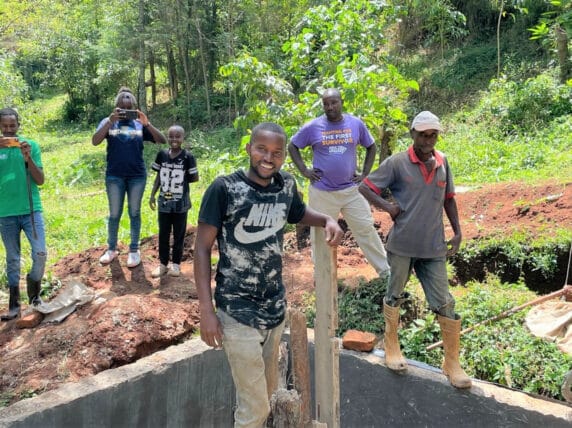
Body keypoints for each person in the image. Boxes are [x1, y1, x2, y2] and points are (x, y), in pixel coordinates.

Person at [194, 122, 343, 427]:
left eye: (276, 152)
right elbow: (200, 250)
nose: (268, 157)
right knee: (255, 410)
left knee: (268, 397)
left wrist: (326, 218)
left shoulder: (286, 186)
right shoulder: (224, 190)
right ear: (249, 148)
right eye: (261, 149)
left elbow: (299, 213)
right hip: (236, 312)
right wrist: (206, 311)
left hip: (274, 312)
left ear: (283, 157)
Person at [358, 111, 471, 389]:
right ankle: (392, 345)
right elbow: (366, 186)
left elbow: (449, 199)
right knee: (394, 295)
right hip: (402, 246)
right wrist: (388, 208)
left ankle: (451, 362)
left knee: (445, 301)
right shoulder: (397, 163)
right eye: (423, 134)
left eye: (433, 134)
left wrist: (457, 231)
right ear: (413, 134)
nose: (428, 140)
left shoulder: (443, 163)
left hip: (433, 247)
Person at [288, 88, 390, 278]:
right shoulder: (313, 126)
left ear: (341, 102)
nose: (330, 107)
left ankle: (385, 272)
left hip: (352, 191)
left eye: (333, 102)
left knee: (365, 228)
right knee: (321, 235)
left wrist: (365, 173)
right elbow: (292, 145)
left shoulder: (355, 124)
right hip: (322, 193)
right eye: (326, 104)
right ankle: (323, 276)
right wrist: (304, 170)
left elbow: (371, 146)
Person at [92, 87, 166, 268]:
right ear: (117, 106)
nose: (125, 100)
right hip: (114, 175)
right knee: (114, 213)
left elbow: (162, 140)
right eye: (122, 100)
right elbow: (95, 141)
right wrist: (110, 122)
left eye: (129, 99)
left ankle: (134, 250)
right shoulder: (108, 122)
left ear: (134, 106)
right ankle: (111, 249)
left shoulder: (140, 123)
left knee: (134, 212)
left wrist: (147, 124)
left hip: (137, 175)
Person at [0, 108, 46, 321]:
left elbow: (40, 180)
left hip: (30, 209)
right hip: (5, 212)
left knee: (40, 254)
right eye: (5, 126)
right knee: (12, 259)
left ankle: (34, 293)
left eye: (13, 126)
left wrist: (28, 158)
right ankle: (14, 304)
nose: (9, 130)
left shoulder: (31, 146)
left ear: (19, 125)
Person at [149, 125, 198, 278]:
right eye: (171, 136)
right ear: (167, 137)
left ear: (183, 138)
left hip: (180, 204)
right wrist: (152, 195)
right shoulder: (162, 155)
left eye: (177, 136)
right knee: (163, 233)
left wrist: (179, 182)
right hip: (164, 202)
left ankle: (176, 265)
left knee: (179, 234)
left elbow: (194, 177)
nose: (174, 139)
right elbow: (158, 176)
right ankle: (163, 264)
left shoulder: (188, 157)